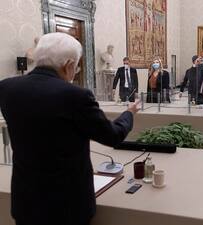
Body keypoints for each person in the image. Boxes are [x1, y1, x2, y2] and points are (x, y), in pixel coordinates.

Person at [0, 32, 140, 225]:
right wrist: (129, 114)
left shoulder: (7, 88)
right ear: (68, 65)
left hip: (26, 202)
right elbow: (113, 136)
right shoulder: (76, 96)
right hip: (67, 207)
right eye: (77, 66)